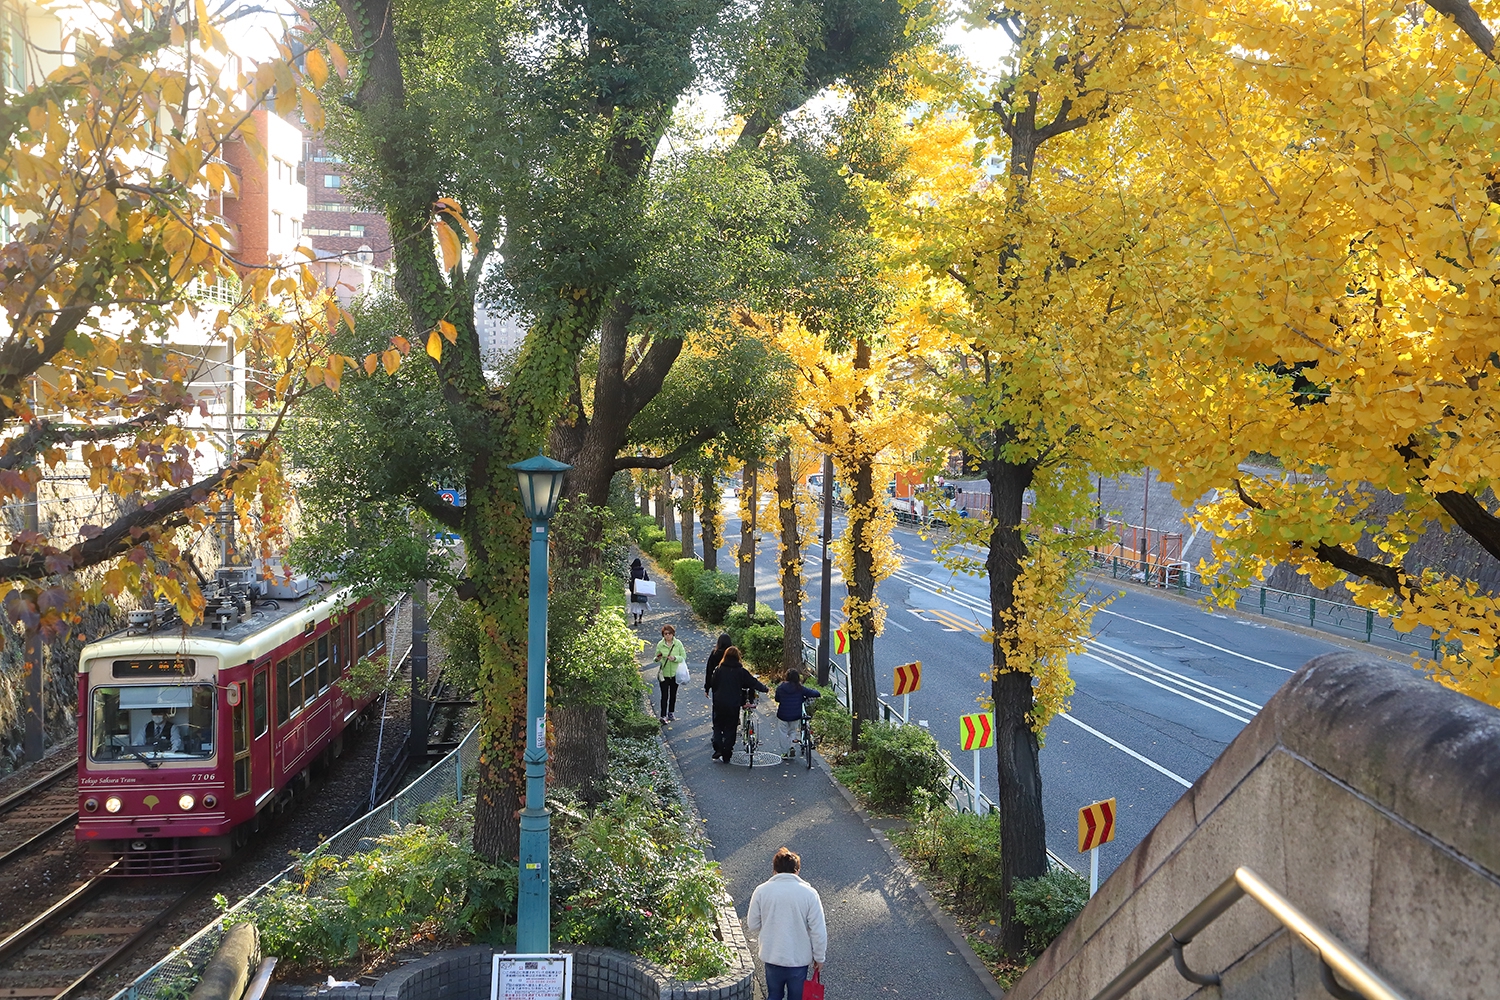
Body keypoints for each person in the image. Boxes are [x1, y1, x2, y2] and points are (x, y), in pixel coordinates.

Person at [746, 847, 827, 1000]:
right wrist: (819, 957)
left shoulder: (762, 891)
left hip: (772, 956)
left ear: (774, 870)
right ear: (797, 871)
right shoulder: (809, 894)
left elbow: (753, 924)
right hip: (798, 960)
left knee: (774, 995)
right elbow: (818, 930)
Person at [705, 645, 766, 761]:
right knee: (730, 728)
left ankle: (718, 747)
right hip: (733, 704)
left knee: (718, 726)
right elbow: (753, 682)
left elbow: (713, 683)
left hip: (719, 703)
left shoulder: (719, 670)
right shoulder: (740, 671)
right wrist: (765, 688)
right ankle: (727, 752)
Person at [774, 669, 821, 760]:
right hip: (795, 715)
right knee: (792, 731)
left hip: (782, 714)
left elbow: (777, 699)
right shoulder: (800, 688)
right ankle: (791, 746)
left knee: (783, 733)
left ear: (786, 677)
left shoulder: (781, 687)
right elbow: (814, 693)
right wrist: (816, 691)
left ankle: (784, 753)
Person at [653, 625, 686, 721]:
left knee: (673, 694)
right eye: (665, 634)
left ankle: (671, 712)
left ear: (673, 634)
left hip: (675, 674)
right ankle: (663, 715)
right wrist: (657, 658)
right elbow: (655, 658)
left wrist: (675, 658)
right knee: (664, 695)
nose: (667, 636)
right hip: (664, 674)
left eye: (669, 633)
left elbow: (683, 657)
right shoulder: (660, 644)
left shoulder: (678, 643)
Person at [628, 558, 650, 625]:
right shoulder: (643, 571)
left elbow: (630, 581)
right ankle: (640, 618)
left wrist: (631, 589)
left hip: (634, 590)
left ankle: (635, 619)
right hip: (642, 590)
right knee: (642, 604)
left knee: (634, 605)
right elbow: (647, 579)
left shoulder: (632, 571)